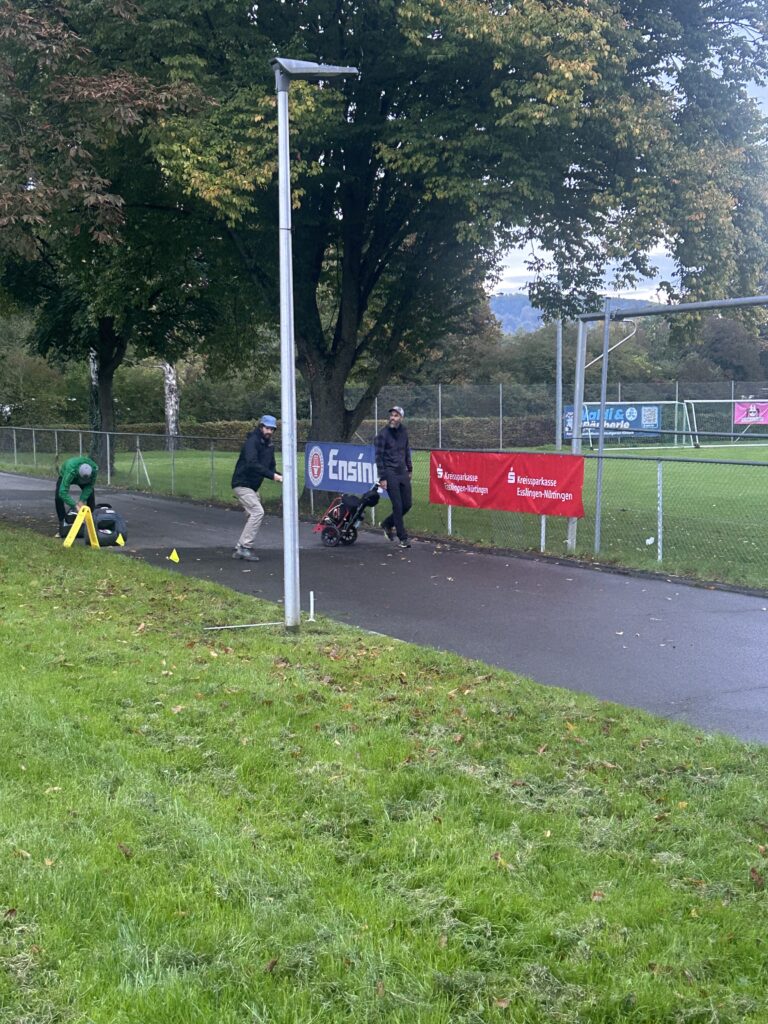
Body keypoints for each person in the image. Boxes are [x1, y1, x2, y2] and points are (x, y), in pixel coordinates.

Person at [231, 414, 283, 561]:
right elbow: (252, 464)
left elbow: (271, 467)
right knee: (257, 512)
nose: (269, 432)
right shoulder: (252, 442)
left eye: (272, 429)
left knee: (251, 515)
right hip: (242, 483)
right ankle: (245, 547)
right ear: (261, 427)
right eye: (267, 428)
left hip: (252, 487)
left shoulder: (269, 446)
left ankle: (239, 547)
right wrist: (273, 476)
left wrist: (280, 476)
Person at [375, 405, 413, 548]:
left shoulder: (404, 432)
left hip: (402, 472)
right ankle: (403, 538)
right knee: (397, 506)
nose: (392, 418)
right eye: (391, 415)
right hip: (389, 473)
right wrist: (383, 477)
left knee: (407, 504)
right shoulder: (383, 434)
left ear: (401, 418)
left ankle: (387, 523)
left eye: (396, 415)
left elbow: (406, 451)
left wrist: (409, 469)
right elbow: (378, 457)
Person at [55, 456, 98, 535]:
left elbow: (89, 486)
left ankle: (91, 522)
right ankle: (62, 523)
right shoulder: (71, 471)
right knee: (58, 497)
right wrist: (75, 506)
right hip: (65, 474)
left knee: (91, 495)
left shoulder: (94, 469)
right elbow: (63, 492)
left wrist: (82, 500)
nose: (82, 482)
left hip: (81, 474)